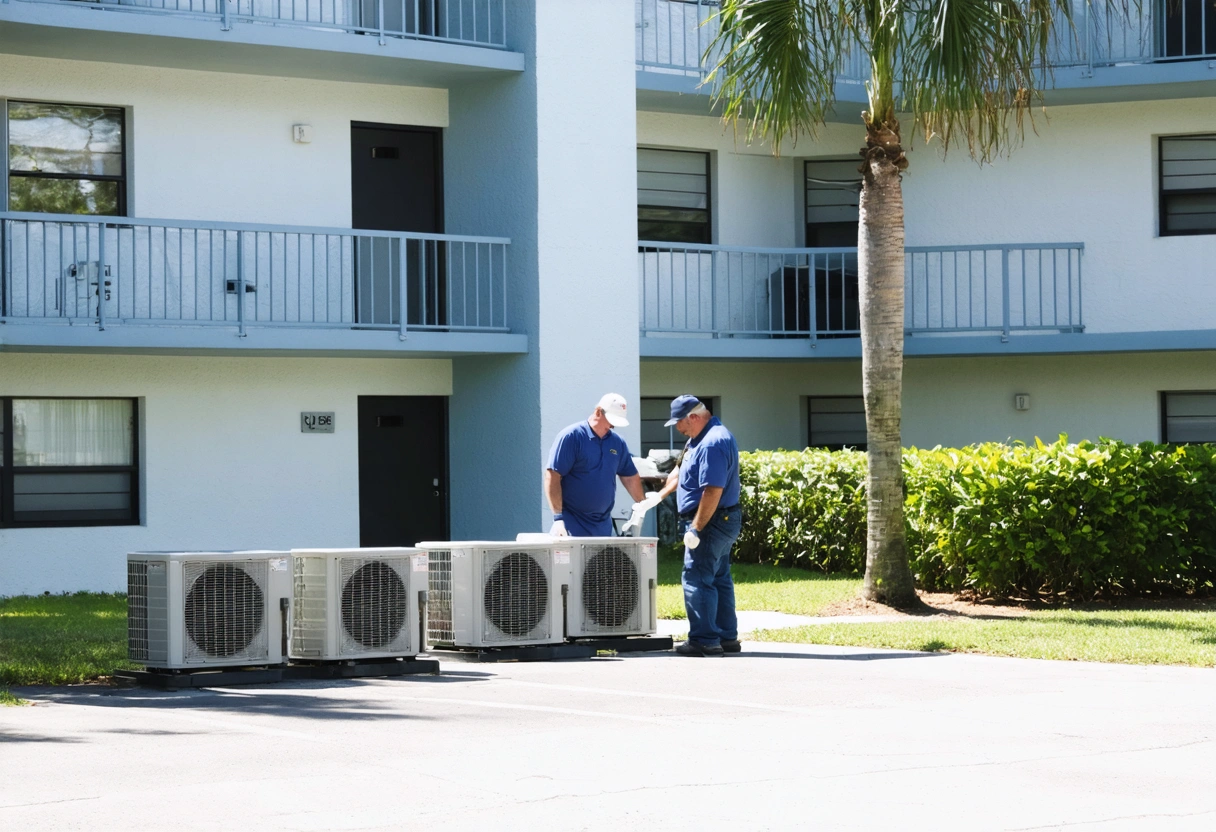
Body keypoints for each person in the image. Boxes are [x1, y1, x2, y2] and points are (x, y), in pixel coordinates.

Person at [655, 395, 742, 657]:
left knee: (696, 577)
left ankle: (704, 639)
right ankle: (726, 637)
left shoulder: (712, 442)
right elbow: (679, 472)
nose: (678, 429)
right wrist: (656, 498)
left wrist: (696, 528)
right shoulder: (699, 438)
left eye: (679, 423)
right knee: (718, 577)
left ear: (693, 417)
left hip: (711, 520)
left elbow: (713, 490)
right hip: (720, 519)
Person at [545, 393, 647, 537]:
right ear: (598, 411)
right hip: (571, 523)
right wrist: (558, 519)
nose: (613, 426)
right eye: (611, 420)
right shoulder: (572, 437)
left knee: (603, 560)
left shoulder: (617, 442)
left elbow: (629, 476)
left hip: (603, 525)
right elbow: (552, 475)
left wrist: (642, 504)